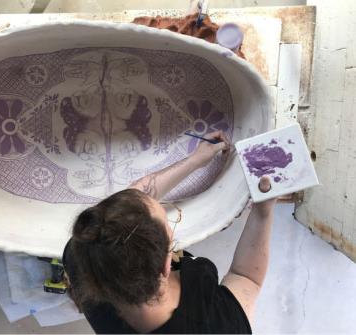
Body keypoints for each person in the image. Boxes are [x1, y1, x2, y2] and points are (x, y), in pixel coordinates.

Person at [63, 130, 276, 333]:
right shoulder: (220, 327)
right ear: (167, 266)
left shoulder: (85, 253)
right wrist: (263, 210)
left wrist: (195, 161)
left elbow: (133, 202)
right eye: (169, 226)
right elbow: (246, 277)